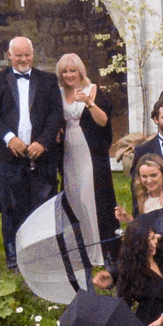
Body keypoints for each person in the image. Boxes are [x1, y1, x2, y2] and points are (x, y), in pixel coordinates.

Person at [0, 37, 63, 270]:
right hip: (9, 155)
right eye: (18, 55)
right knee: (10, 206)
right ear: (9, 55)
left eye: (27, 55)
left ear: (33, 54)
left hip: (42, 155)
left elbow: (56, 113)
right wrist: (10, 138)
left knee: (42, 204)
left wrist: (43, 142)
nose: (23, 59)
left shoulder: (48, 80)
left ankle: (42, 254)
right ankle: (13, 255)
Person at [56, 53, 117, 261]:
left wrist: (89, 103)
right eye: (65, 71)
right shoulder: (59, 93)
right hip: (68, 152)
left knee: (88, 198)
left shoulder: (93, 90)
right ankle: (76, 251)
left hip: (90, 153)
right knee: (73, 198)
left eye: (73, 70)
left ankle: (98, 252)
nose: (69, 75)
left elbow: (104, 122)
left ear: (81, 71)